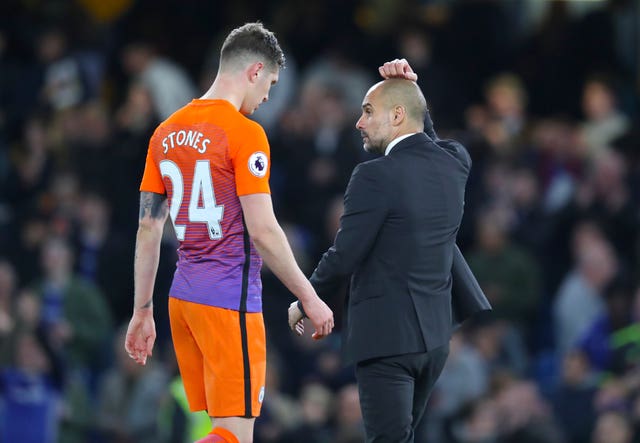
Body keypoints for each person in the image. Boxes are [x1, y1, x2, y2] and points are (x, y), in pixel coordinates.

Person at [124, 22, 334, 443]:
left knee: (220, 431)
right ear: (254, 71)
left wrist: (142, 311)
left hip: (181, 299)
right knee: (235, 437)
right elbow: (263, 230)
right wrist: (309, 297)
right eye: (271, 83)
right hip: (227, 300)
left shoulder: (165, 133)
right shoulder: (245, 134)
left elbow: (148, 227)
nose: (269, 96)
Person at [289, 59, 490, 443]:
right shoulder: (455, 164)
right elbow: (430, 140)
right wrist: (414, 94)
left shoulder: (374, 174)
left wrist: (305, 298)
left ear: (397, 115)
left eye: (367, 111)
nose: (358, 123)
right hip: (434, 339)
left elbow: (345, 254)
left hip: (387, 340)